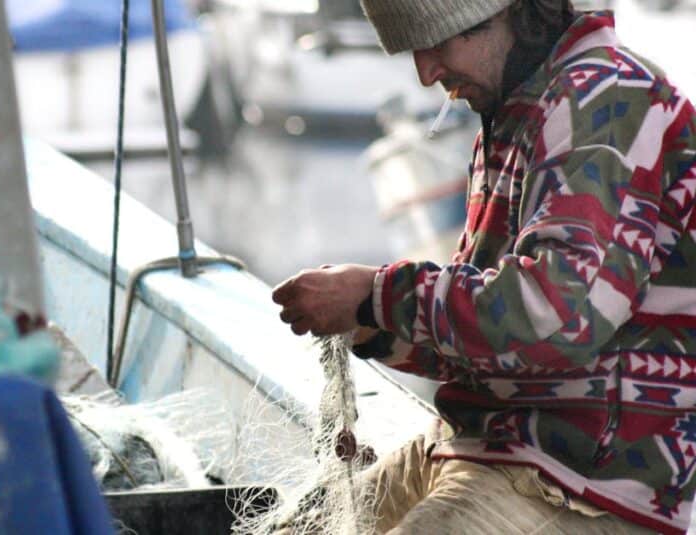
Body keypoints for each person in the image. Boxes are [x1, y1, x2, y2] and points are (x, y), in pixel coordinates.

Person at [271, 0, 696, 533]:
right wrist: (371, 325)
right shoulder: (521, 109)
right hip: (490, 445)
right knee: (301, 528)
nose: (426, 74)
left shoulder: (604, 98)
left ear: (511, 15)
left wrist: (377, 294)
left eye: (437, 44)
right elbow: (491, 346)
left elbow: (555, 320)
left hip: (586, 483)